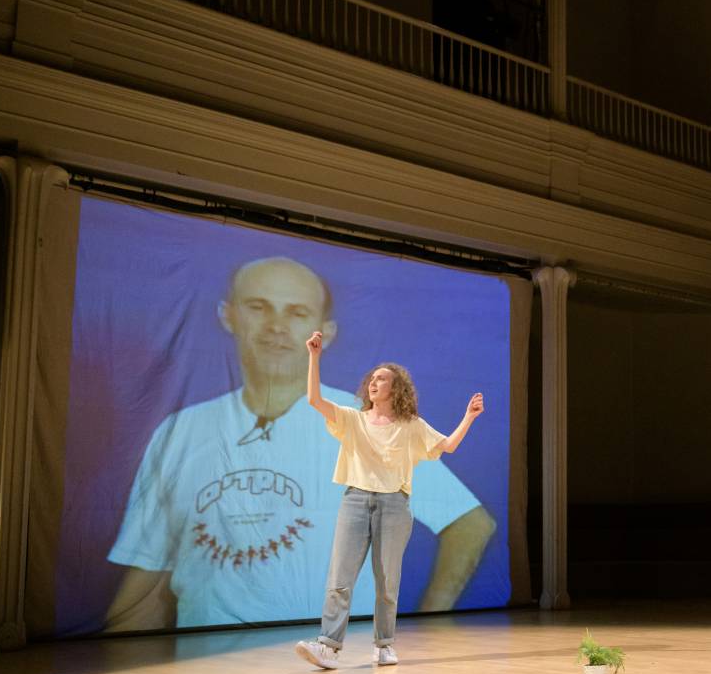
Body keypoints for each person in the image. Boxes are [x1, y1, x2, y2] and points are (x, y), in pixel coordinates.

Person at [106, 257, 495, 631]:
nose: (276, 326)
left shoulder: (366, 425)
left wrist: (431, 627)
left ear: (325, 332)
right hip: (206, 672)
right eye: (259, 307)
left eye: (296, 313)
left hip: (334, 673)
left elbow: (469, 524)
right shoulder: (182, 431)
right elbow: (145, 581)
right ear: (228, 315)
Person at [295, 331, 484, 668]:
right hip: (355, 500)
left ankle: (383, 645)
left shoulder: (411, 425)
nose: (374, 382)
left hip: (394, 506)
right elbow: (314, 400)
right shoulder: (352, 419)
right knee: (340, 577)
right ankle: (328, 645)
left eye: (382, 379)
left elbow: (449, 446)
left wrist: (469, 416)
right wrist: (313, 356)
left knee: (387, 581)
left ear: (395, 389)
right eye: (372, 378)